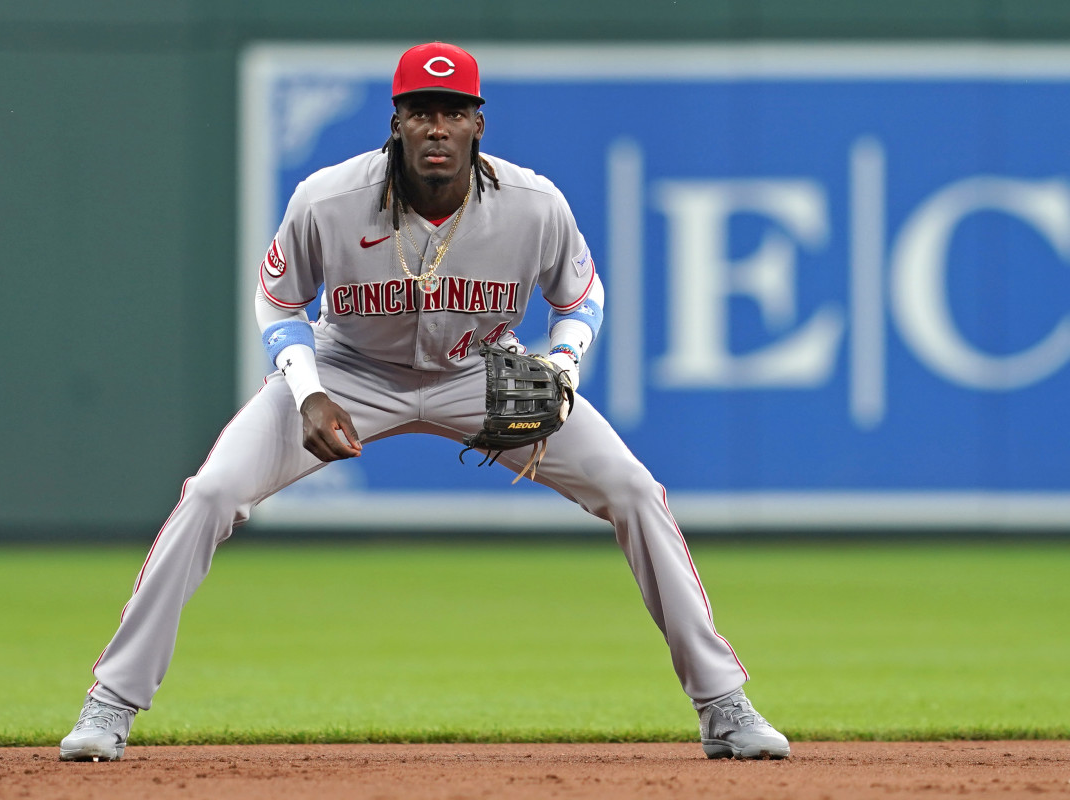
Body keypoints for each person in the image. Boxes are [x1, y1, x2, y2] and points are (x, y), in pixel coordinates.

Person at [59, 41, 790, 763]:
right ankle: (112, 701)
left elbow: (581, 295)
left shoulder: (534, 205)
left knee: (634, 490)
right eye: (420, 112)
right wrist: (308, 391)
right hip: (347, 369)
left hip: (481, 372)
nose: (436, 128)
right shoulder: (327, 199)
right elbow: (279, 300)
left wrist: (562, 366)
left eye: (452, 111)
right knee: (212, 492)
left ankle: (722, 704)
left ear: (478, 123)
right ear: (396, 122)